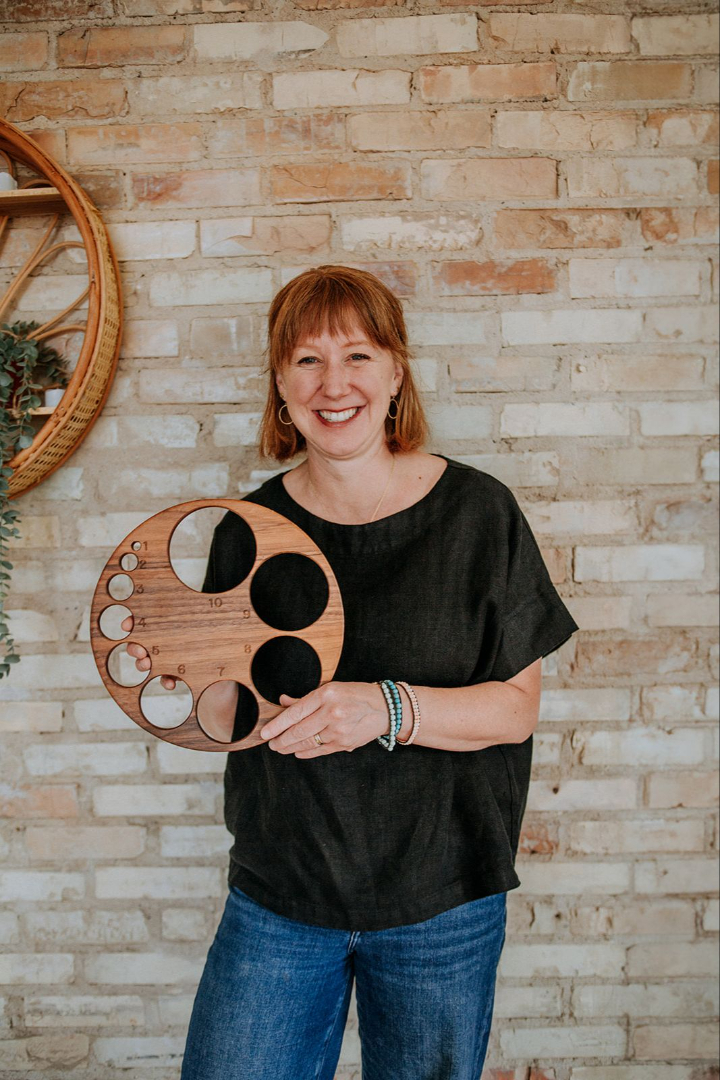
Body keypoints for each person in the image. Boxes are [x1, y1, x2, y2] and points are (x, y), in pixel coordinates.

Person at [126, 265, 578, 1079]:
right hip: (281, 892)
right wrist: (178, 671)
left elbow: (515, 709)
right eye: (307, 360)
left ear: (396, 372)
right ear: (280, 383)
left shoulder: (479, 514)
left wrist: (384, 708)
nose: (333, 385)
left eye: (358, 356)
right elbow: (231, 716)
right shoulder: (249, 529)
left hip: (441, 898)